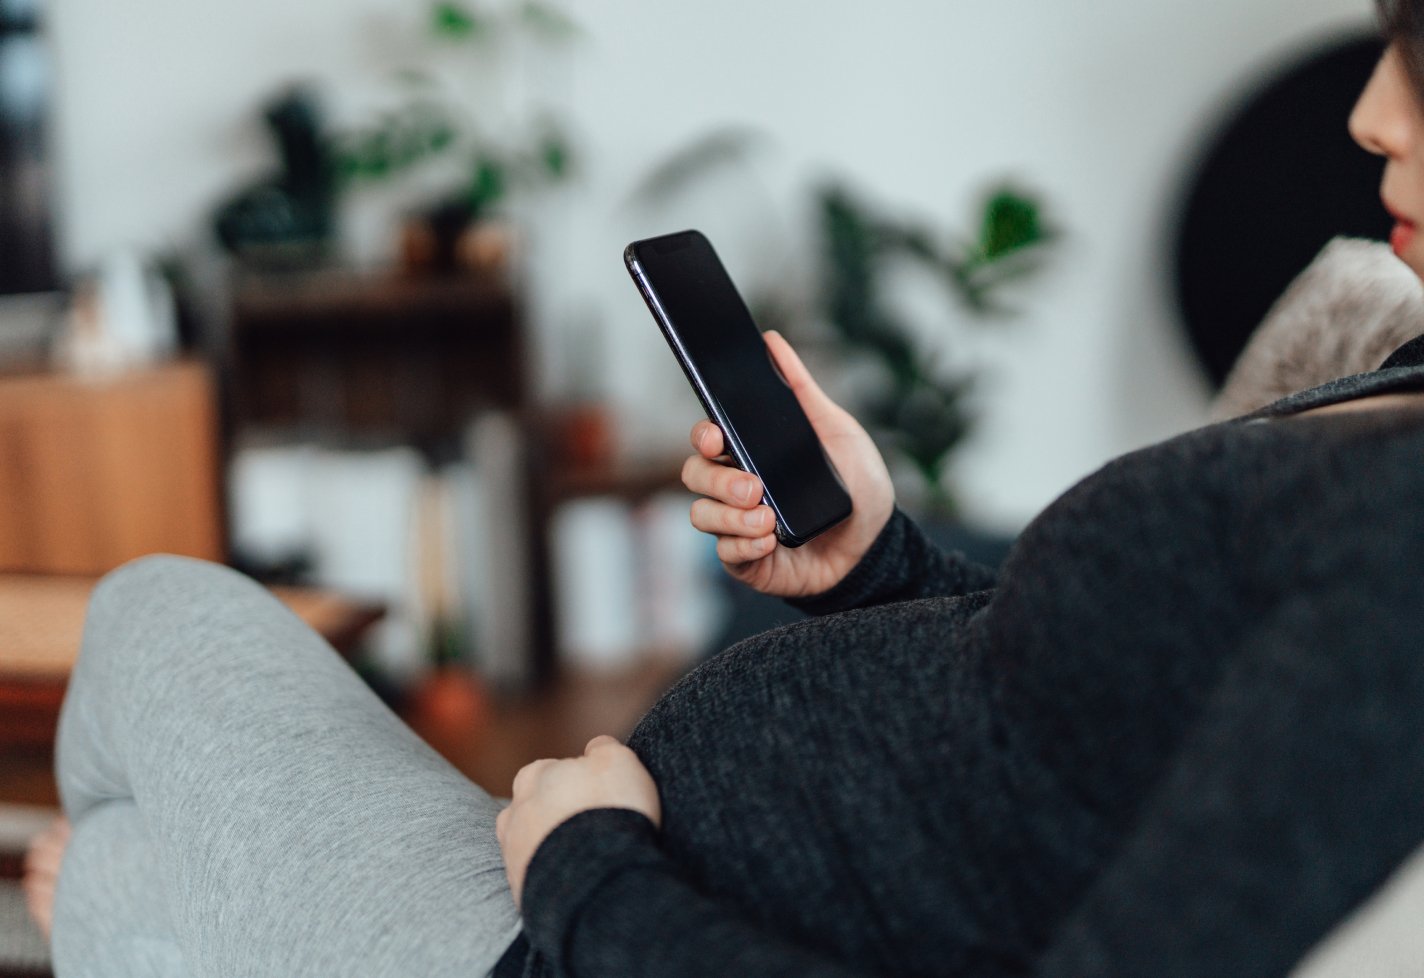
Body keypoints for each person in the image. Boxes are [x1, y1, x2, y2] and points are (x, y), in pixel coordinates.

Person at [24, 3, 1424, 975]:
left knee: (151, 621)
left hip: (591, 933)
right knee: (115, 880)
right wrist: (882, 564)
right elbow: (1100, 713)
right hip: (622, 882)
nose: (1368, 114)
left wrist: (590, 875)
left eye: (1417, 51)